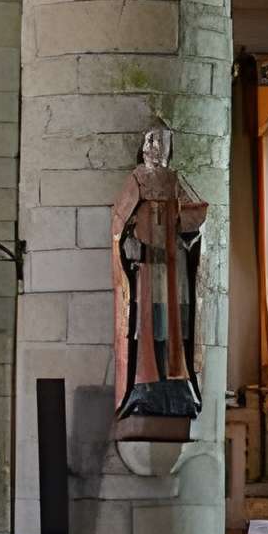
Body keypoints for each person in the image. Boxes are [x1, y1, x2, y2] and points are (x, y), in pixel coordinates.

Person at [109, 120, 208, 438]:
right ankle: (144, 384)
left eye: (161, 142)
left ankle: (175, 384)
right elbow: (119, 223)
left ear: (169, 147)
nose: (154, 147)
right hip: (148, 267)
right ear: (142, 146)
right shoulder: (136, 179)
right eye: (150, 141)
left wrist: (184, 226)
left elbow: (198, 213)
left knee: (175, 325)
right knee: (148, 324)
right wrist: (130, 243)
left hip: (172, 264)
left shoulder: (176, 180)